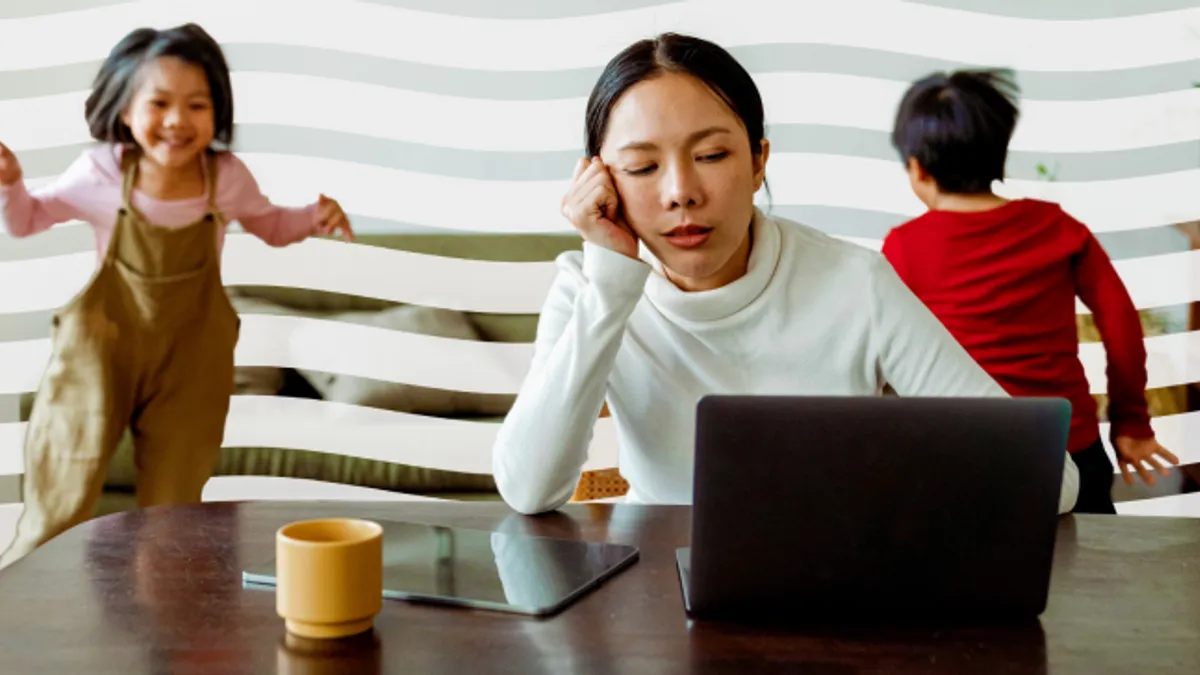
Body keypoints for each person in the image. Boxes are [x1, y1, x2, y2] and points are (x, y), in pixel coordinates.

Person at [491, 33, 1080, 516]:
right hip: (655, 591)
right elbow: (527, 489)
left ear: (758, 162)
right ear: (601, 181)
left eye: (712, 155)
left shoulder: (855, 282)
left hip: (832, 584)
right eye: (642, 166)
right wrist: (611, 283)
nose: (681, 194)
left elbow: (1050, 481)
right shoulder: (589, 287)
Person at [0, 23, 353, 568]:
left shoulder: (227, 178)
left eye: (196, 105)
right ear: (124, 111)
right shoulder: (100, 173)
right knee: (60, 496)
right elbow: (26, 221)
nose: (176, 121)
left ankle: (164, 634)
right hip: (102, 352)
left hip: (190, 358)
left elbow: (270, 224)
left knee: (173, 513)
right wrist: (10, 185)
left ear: (217, 114)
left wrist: (313, 217)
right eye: (159, 102)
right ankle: (20, 617)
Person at [881, 69, 1178, 514]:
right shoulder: (1059, 228)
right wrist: (1130, 423)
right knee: (1089, 573)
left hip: (962, 453)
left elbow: (887, 355)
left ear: (917, 169)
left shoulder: (903, 247)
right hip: (1067, 449)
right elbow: (1121, 326)